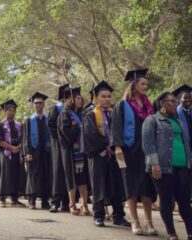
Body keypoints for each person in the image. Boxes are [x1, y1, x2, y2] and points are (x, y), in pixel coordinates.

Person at [111, 69, 157, 235]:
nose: (145, 86)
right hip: (129, 151)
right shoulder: (122, 105)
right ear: (134, 84)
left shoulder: (149, 105)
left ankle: (150, 223)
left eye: (146, 84)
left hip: (147, 151)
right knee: (130, 186)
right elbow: (116, 127)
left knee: (147, 186)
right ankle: (135, 222)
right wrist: (117, 147)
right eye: (142, 84)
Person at [142, 92, 192, 240]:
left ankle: (190, 232)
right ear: (162, 103)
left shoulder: (179, 121)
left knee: (184, 200)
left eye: (175, 101)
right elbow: (148, 144)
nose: (175, 103)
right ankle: (171, 232)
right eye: (171, 101)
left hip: (182, 166)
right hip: (162, 167)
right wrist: (154, 163)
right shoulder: (152, 120)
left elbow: (186, 144)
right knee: (166, 199)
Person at [82, 81, 130, 227]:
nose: (107, 99)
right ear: (96, 98)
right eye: (103, 96)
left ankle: (118, 216)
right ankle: (99, 215)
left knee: (116, 185)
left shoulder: (113, 114)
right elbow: (90, 135)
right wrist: (106, 145)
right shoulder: (90, 115)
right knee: (99, 186)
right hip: (98, 155)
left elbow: (119, 131)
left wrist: (115, 145)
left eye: (109, 96)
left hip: (113, 155)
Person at [57, 87, 90, 216]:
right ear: (71, 100)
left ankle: (85, 204)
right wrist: (78, 127)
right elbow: (66, 133)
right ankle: (72, 203)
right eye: (77, 98)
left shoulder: (83, 114)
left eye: (80, 98)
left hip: (82, 150)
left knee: (82, 177)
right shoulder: (64, 114)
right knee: (71, 177)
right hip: (70, 150)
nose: (80, 100)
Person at [22, 92, 52, 210]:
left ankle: (45, 200)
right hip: (33, 152)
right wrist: (27, 152)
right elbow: (25, 138)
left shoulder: (48, 120)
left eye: (40, 103)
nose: (38, 105)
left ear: (44, 104)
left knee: (45, 174)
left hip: (45, 151)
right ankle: (31, 200)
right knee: (33, 175)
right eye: (36, 103)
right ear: (33, 105)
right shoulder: (29, 120)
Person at [0, 99, 26, 208]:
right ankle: (2, 198)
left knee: (16, 174)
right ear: (5, 111)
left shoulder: (19, 124)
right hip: (6, 153)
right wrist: (11, 147)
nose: (11, 112)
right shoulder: (0, 125)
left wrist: (18, 147)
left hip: (17, 152)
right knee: (5, 174)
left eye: (13, 110)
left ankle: (14, 198)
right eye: (9, 110)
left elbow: (23, 138)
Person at [47, 83, 70, 213]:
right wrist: (61, 137)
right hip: (58, 144)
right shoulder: (55, 108)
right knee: (58, 172)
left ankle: (67, 202)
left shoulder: (71, 109)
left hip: (70, 145)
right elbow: (50, 125)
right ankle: (55, 202)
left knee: (68, 172)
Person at [173, 84, 192, 150]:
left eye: (190, 97)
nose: (188, 100)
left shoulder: (191, 111)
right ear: (179, 99)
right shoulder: (175, 113)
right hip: (182, 146)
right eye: (185, 98)